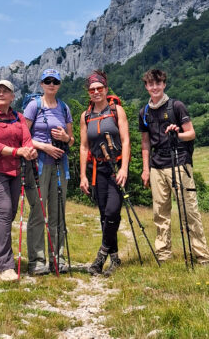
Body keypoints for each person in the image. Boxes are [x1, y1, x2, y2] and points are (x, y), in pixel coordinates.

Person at [138, 69, 209, 265]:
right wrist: (145, 169)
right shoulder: (144, 112)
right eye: (151, 84)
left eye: (158, 83)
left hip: (179, 162)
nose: (154, 87)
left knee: (189, 211)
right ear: (146, 86)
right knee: (160, 213)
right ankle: (163, 255)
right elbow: (145, 143)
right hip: (156, 166)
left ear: (164, 84)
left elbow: (191, 133)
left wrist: (176, 134)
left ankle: (202, 257)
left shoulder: (176, 106)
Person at [0, 80, 38, 281]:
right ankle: (5, 266)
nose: (1, 93)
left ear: (13, 96)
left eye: (6, 91)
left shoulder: (18, 117)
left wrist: (29, 150)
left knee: (8, 214)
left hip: (15, 171)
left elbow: (26, 139)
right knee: (3, 211)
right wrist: (16, 151)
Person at [23, 69, 75, 275]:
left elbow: (71, 139)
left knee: (58, 212)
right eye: (47, 81)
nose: (51, 84)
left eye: (55, 81)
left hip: (60, 165)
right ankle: (37, 261)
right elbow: (23, 136)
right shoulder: (33, 106)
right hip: (39, 164)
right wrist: (44, 147)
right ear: (42, 84)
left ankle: (57, 259)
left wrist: (64, 138)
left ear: (59, 84)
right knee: (38, 211)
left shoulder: (64, 107)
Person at [79, 70, 130, 276]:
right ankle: (115, 259)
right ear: (89, 93)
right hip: (97, 170)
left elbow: (126, 140)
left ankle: (101, 256)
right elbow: (84, 147)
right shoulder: (86, 116)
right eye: (92, 90)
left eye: (99, 88)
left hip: (116, 168)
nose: (96, 92)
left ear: (106, 89)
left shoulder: (117, 111)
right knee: (104, 216)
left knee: (112, 212)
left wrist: (124, 168)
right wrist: (83, 176)